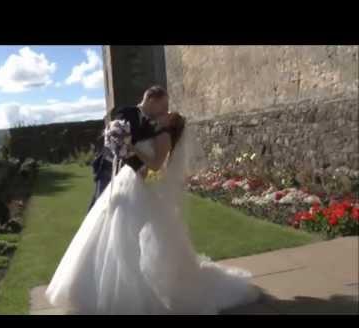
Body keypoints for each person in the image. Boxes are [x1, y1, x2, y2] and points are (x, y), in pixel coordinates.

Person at [45, 112, 261, 315]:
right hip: (128, 181)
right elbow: (146, 165)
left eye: (167, 115)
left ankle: (130, 292)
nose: (162, 116)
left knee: (126, 236)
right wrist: (124, 147)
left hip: (137, 186)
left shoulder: (165, 136)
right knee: (110, 231)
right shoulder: (158, 134)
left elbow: (155, 165)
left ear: (171, 124)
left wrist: (130, 146)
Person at [87, 85, 169, 212]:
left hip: (129, 176)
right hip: (109, 168)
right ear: (151, 99)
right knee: (99, 208)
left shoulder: (151, 125)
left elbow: (142, 149)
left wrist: (141, 167)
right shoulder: (127, 112)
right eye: (162, 105)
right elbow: (116, 139)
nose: (164, 110)